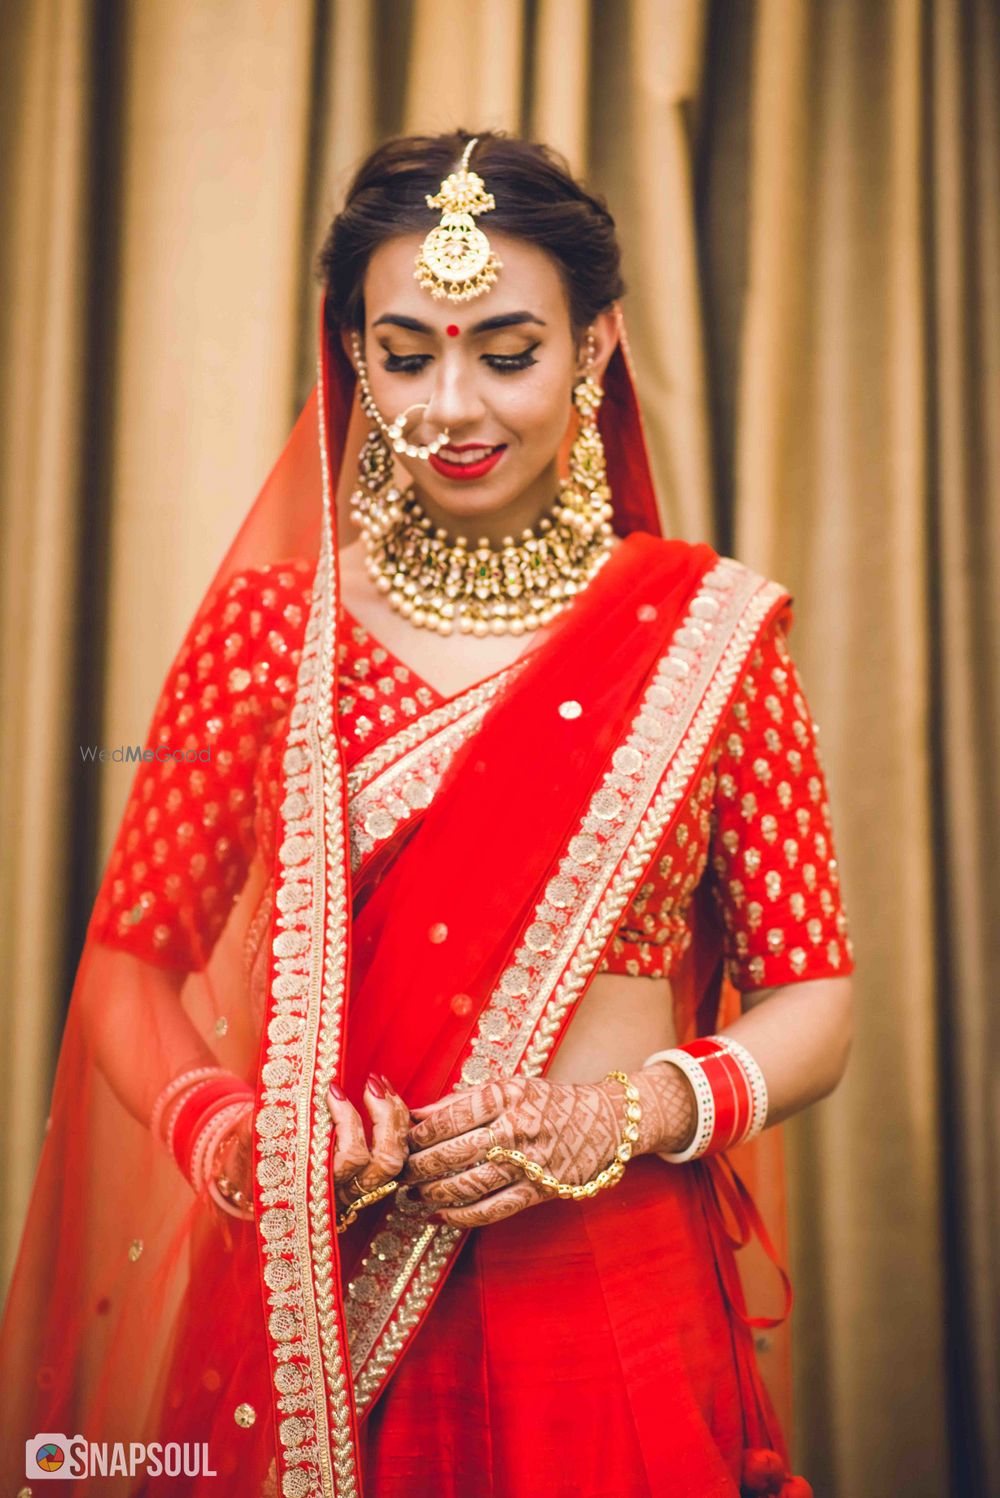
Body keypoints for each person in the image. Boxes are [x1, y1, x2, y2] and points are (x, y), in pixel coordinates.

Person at [0, 130, 854, 1498]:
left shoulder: (708, 633)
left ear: (595, 346)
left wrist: (632, 1109)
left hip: (612, 1299)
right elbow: (127, 967)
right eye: (405, 355)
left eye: (508, 351)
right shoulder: (276, 628)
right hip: (322, 1302)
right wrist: (235, 1134)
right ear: (352, 355)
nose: (451, 405)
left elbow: (814, 997)